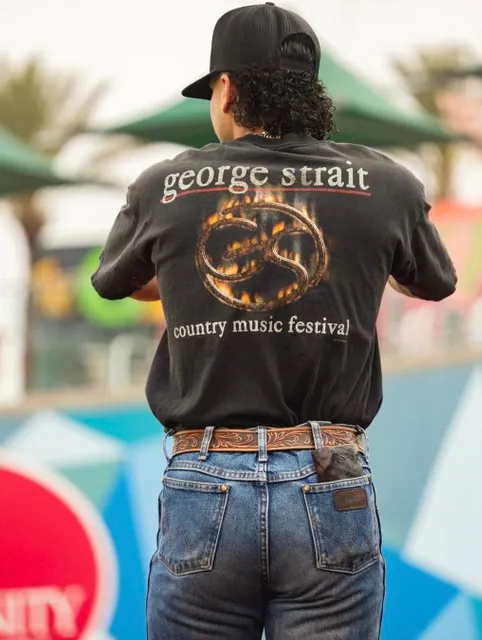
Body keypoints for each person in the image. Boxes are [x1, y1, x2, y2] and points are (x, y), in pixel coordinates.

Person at [91, 3, 457, 638]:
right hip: (330, 473)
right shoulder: (385, 183)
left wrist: (200, 277)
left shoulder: (166, 186)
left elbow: (118, 283)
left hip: (204, 477)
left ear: (227, 88)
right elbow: (431, 281)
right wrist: (355, 259)